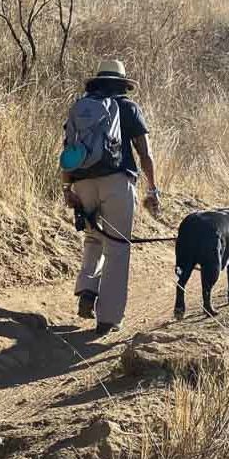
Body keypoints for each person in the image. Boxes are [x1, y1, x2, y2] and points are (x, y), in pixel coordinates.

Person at [61, 60, 160, 336]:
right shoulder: (128, 108)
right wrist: (152, 189)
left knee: (93, 238)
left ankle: (88, 291)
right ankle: (108, 319)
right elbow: (145, 154)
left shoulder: (81, 109)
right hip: (117, 182)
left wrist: (67, 190)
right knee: (117, 248)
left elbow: (69, 152)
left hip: (82, 183)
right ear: (121, 83)